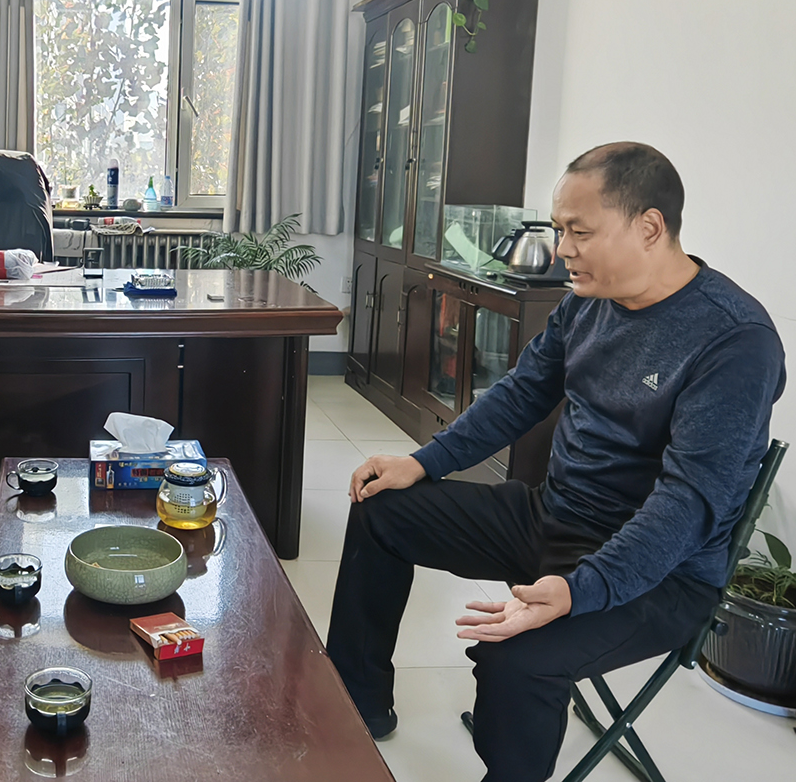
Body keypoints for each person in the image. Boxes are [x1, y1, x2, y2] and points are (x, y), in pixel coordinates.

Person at [326, 142, 785, 782]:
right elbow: (522, 392)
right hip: (555, 516)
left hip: (661, 572)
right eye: (559, 229)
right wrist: (426, 462)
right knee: (384, 508)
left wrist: (577, 590)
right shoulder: (588, 299)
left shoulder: (734, 340)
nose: (562, 249)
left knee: (516, 660)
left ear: (649, 227)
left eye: (579, 232)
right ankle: (356, 704)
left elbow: (688, 505)